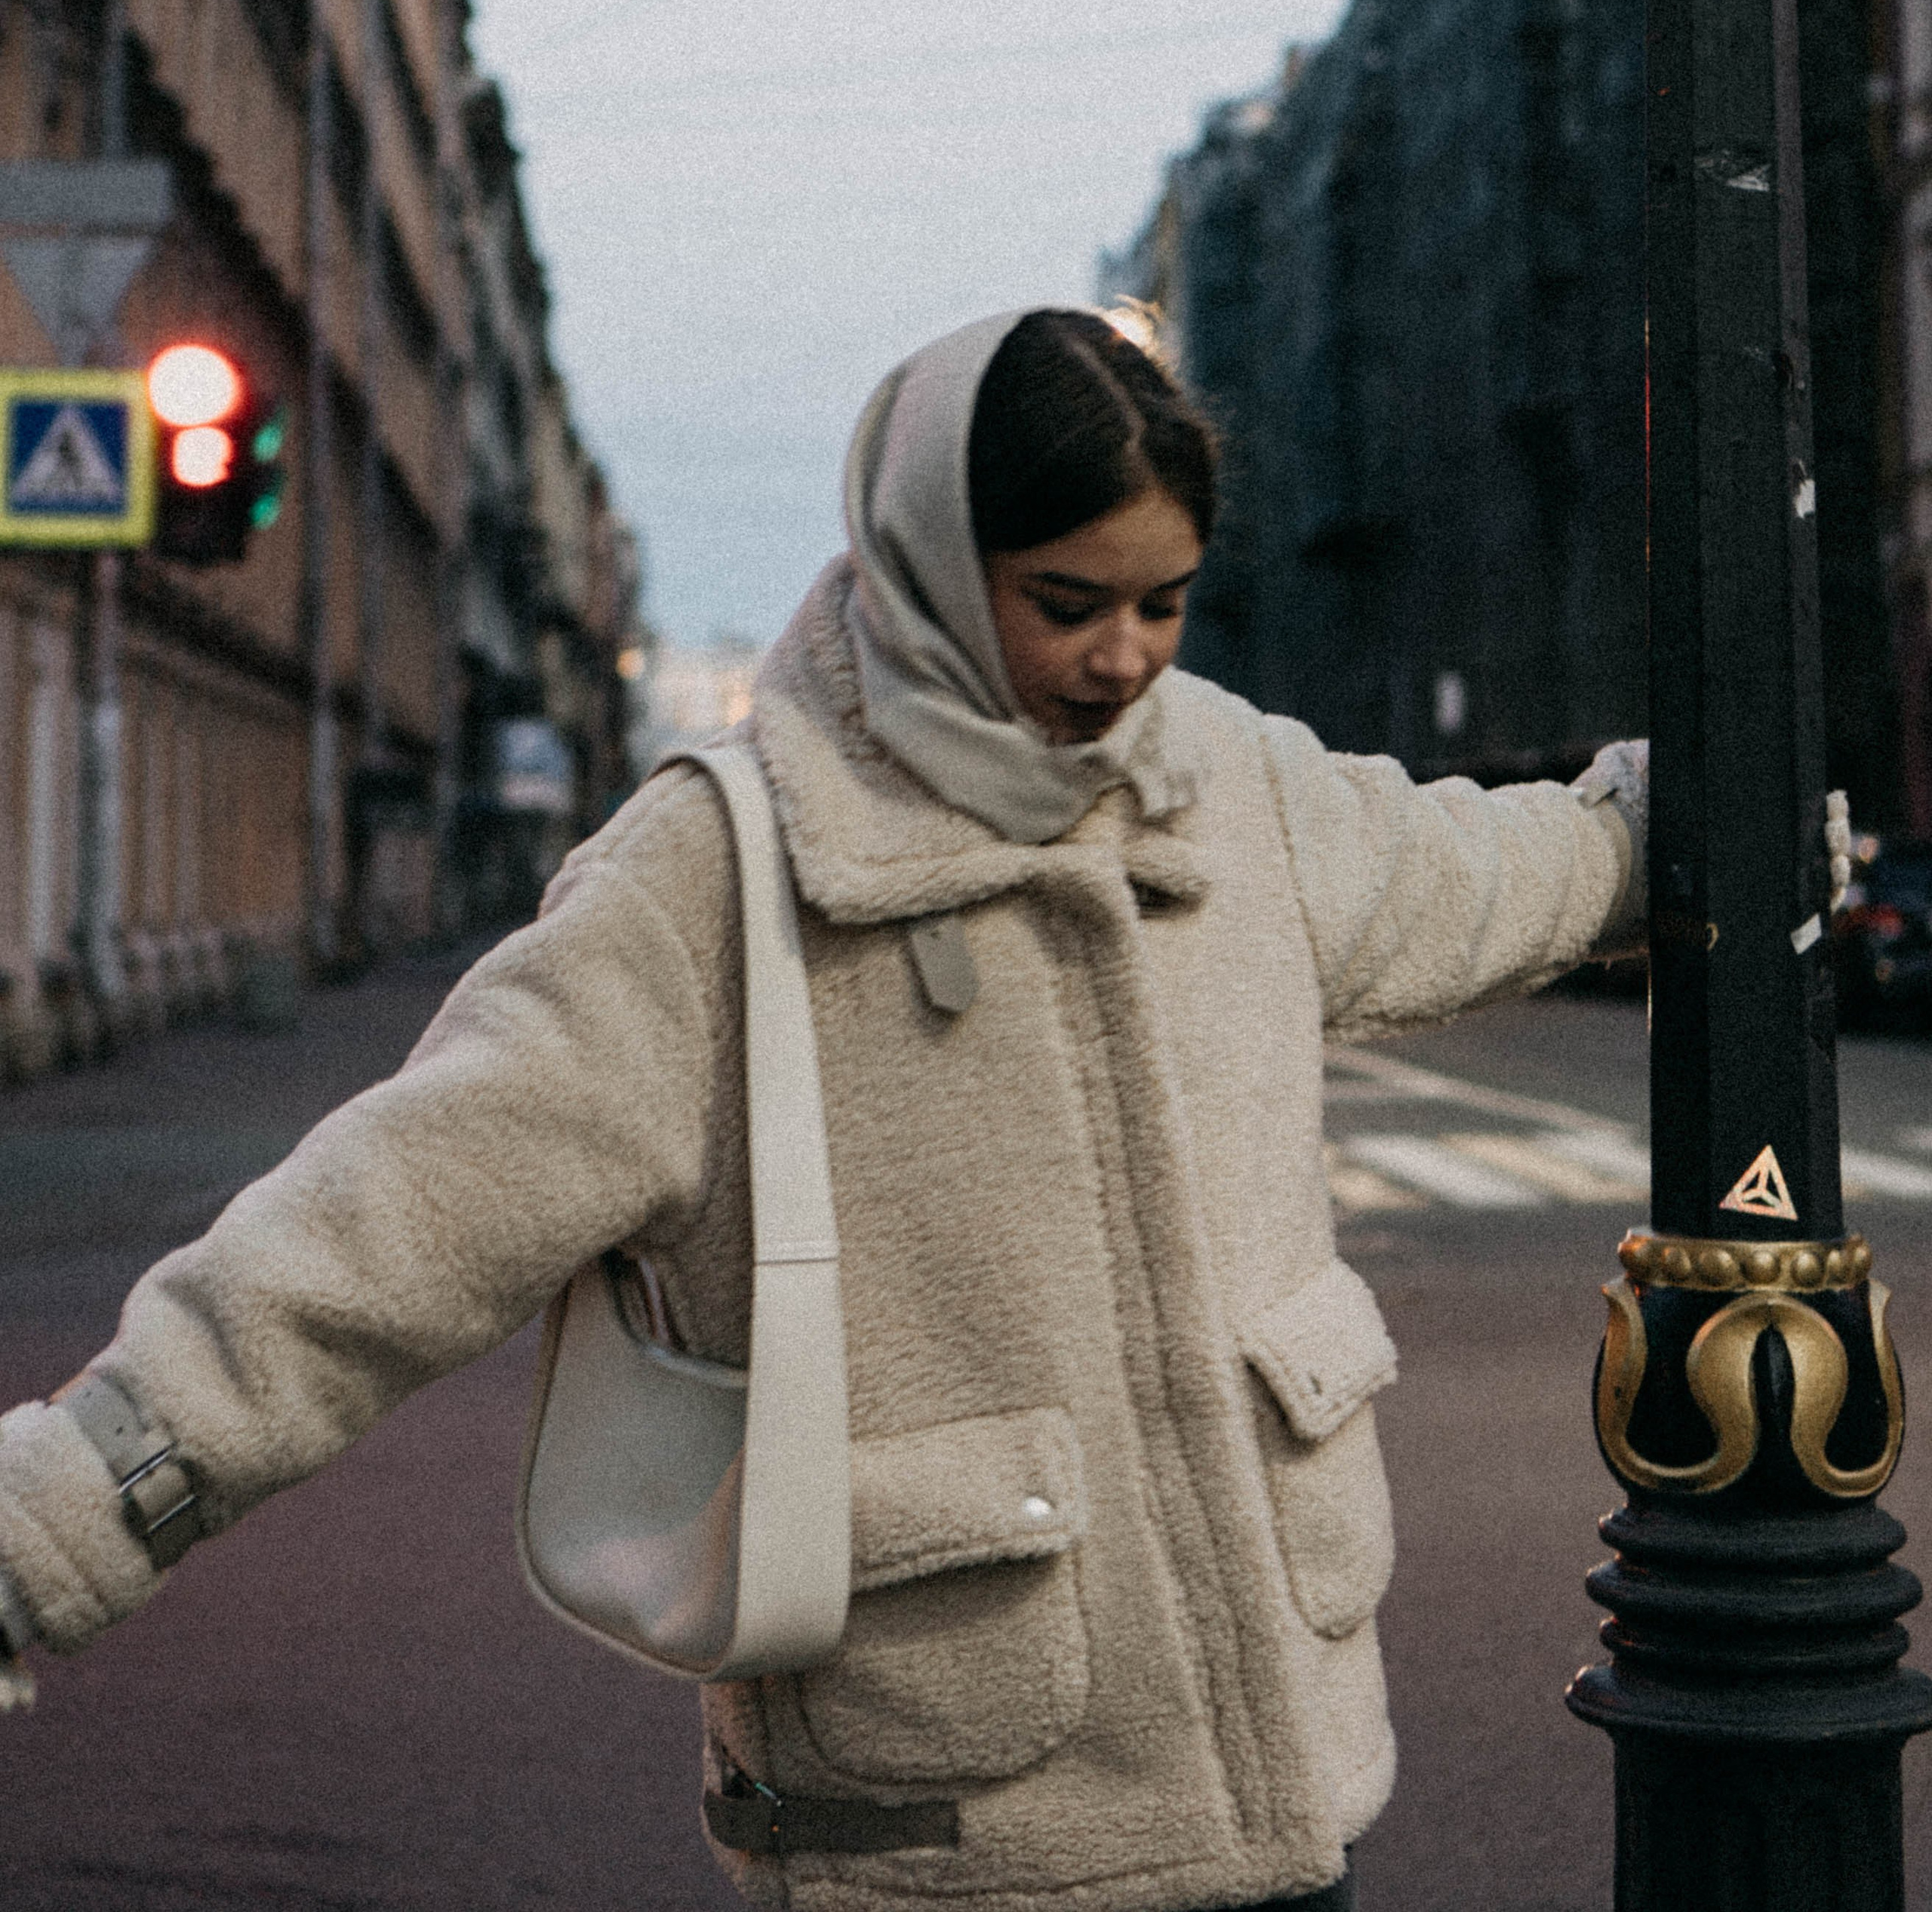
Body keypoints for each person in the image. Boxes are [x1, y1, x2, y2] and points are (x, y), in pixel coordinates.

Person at [0, 306, 1646, 1912]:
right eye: (1065, 600)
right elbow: (388, 1225)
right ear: (927, 558)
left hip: (1287, 1805)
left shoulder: (1231, 782)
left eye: (1165, 604)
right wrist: (65, 1517)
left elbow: (1478, 873)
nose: (1122, 659)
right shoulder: (724, 869)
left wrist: (1673, 819)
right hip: (952, 1826)